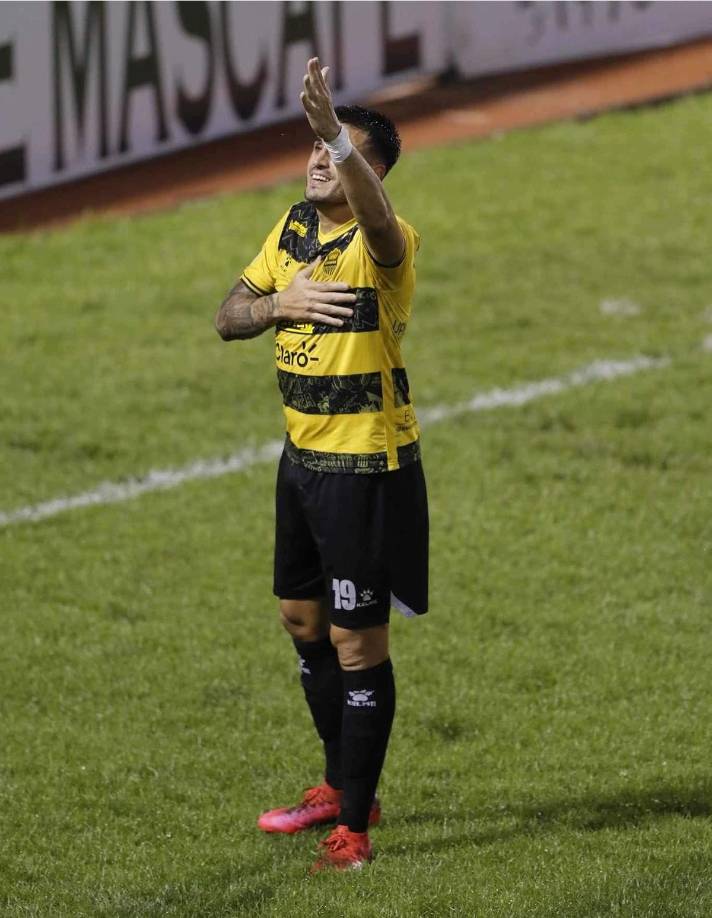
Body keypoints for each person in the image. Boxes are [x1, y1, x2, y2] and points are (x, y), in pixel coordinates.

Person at [215, 57, 428, 873]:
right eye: (310, 146)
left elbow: (377, 220)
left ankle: (356, 833)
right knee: (302, 623)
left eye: (333, 152)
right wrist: (280, 305)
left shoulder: (387, 246)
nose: (314, 159)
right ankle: (343, 787)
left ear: (368, 173)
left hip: (366, 471)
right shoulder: (292, 231)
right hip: (301, 463)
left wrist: (342, 135)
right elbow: (228, 316)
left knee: (356, 644)